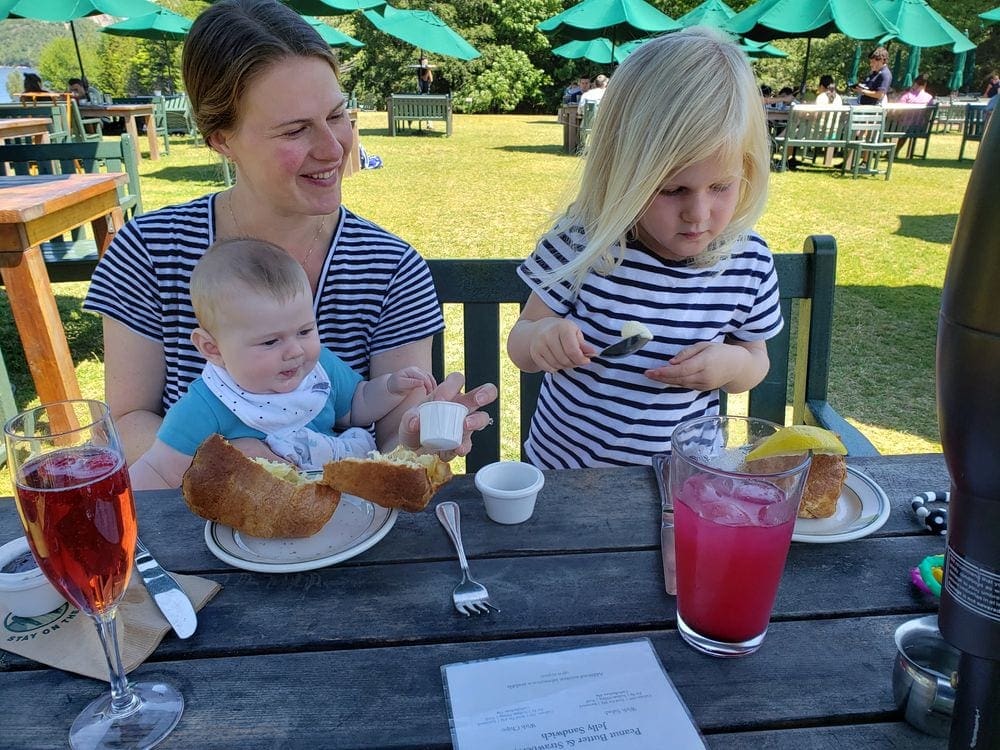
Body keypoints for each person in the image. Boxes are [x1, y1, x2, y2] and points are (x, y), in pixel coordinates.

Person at [83, 0, 496, 468]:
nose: (333, 148)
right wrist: (235, 468)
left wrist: (417, 438)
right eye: (296, 130)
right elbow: (128, 417)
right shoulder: (150, 252)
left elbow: (390, 440)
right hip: (192, 525)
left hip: (345, 526)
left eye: (337, 116)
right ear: (222, 139)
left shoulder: (390, 266)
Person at [506, 27, 779, 469]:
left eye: (721, 186)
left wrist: (729, 366)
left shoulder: (747, 262)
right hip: (564, 472)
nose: (699, 213)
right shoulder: (584, 241)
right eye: (672, 189)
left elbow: (755, 359)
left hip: (683, 478)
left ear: (747, 171)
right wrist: (542, 339)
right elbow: (521, 341)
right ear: (623, 174)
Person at [129, 239, 437, 489]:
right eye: (270, 342)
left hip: (342, 500)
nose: (294, 352)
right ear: (213, 349)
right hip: (255, 522)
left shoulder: (319, 369)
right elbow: (158, 470)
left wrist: (391, 387)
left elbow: (357, 405)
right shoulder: (206, 404)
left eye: (304, 331)